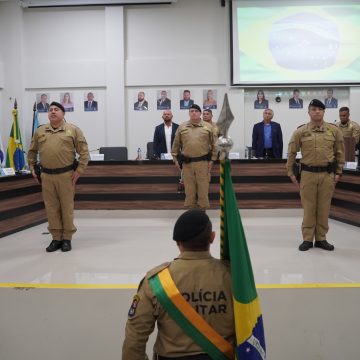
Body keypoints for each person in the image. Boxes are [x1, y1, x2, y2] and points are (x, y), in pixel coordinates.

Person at [122, 209, 235, 360]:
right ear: (212, 237)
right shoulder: (233, 277)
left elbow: (134, 339)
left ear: (177, 242)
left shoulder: (156, 281)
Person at [27, 102, 89, 252]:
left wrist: (79, 171)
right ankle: (56, 238)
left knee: (67, 207)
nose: (53, 112)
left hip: (66, 176)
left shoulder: (73, 130)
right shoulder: (40, 131)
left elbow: (84, 153)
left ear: (63, 113)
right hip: (46, 176)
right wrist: (32, 167)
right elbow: (32, 151)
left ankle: (67, 238)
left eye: (56, 110)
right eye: (50, 110)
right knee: (51, 207)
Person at [286, 99, 345, 252]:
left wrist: (338, 172)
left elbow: (340, 153)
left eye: (320, 109)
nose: (317, 111)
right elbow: (291, 152)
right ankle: (307, 239)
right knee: (309, 208)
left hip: (327, 175)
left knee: (324, 208)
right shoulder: (301, 131)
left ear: (324, 111)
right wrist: (290, 173)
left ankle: (321, 239)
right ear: (309, 112)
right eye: (314, 109)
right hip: (307, 175)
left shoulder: (334, 131)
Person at [171, 104, 217, 209]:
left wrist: (212, 160)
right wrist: (175, 160)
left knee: (203, 190)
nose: (194, 113)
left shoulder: (208, 127)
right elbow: (176, 145)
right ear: (189, 113)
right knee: (189, 190)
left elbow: (215, 145)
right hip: (187, 164)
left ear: (200, 113)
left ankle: (203, 213)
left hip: (203, 163)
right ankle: (191, 213)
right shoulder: (182, 127)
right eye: (191, 111)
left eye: (196, 111)